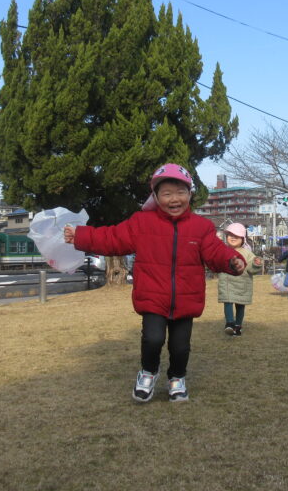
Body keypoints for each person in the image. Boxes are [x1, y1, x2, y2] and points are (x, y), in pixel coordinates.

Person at [63, 163, 246, 403]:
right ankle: (148, 373)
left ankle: (177, 378)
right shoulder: (142, 223)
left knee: (181, 347)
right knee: (153, 339)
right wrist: (80, 235)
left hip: (186, 298)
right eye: (167, 193)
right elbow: (112, 237)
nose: (174, 199)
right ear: (156, 197)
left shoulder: (201, 227)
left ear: (190, 194)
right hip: (152, 296)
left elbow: (215, 252)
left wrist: (232, 261)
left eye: (181, 192)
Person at [218, 223, 262, 337]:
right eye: (230, 235)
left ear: (243, 238)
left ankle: (238, 326)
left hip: (242, 284)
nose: (232, 237)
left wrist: (256, 263)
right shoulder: (222, 250)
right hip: (227, 284)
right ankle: (230, 323)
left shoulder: (247, 253)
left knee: (240, 305)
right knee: (227, 302)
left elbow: (252, 268)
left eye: (236, 236)